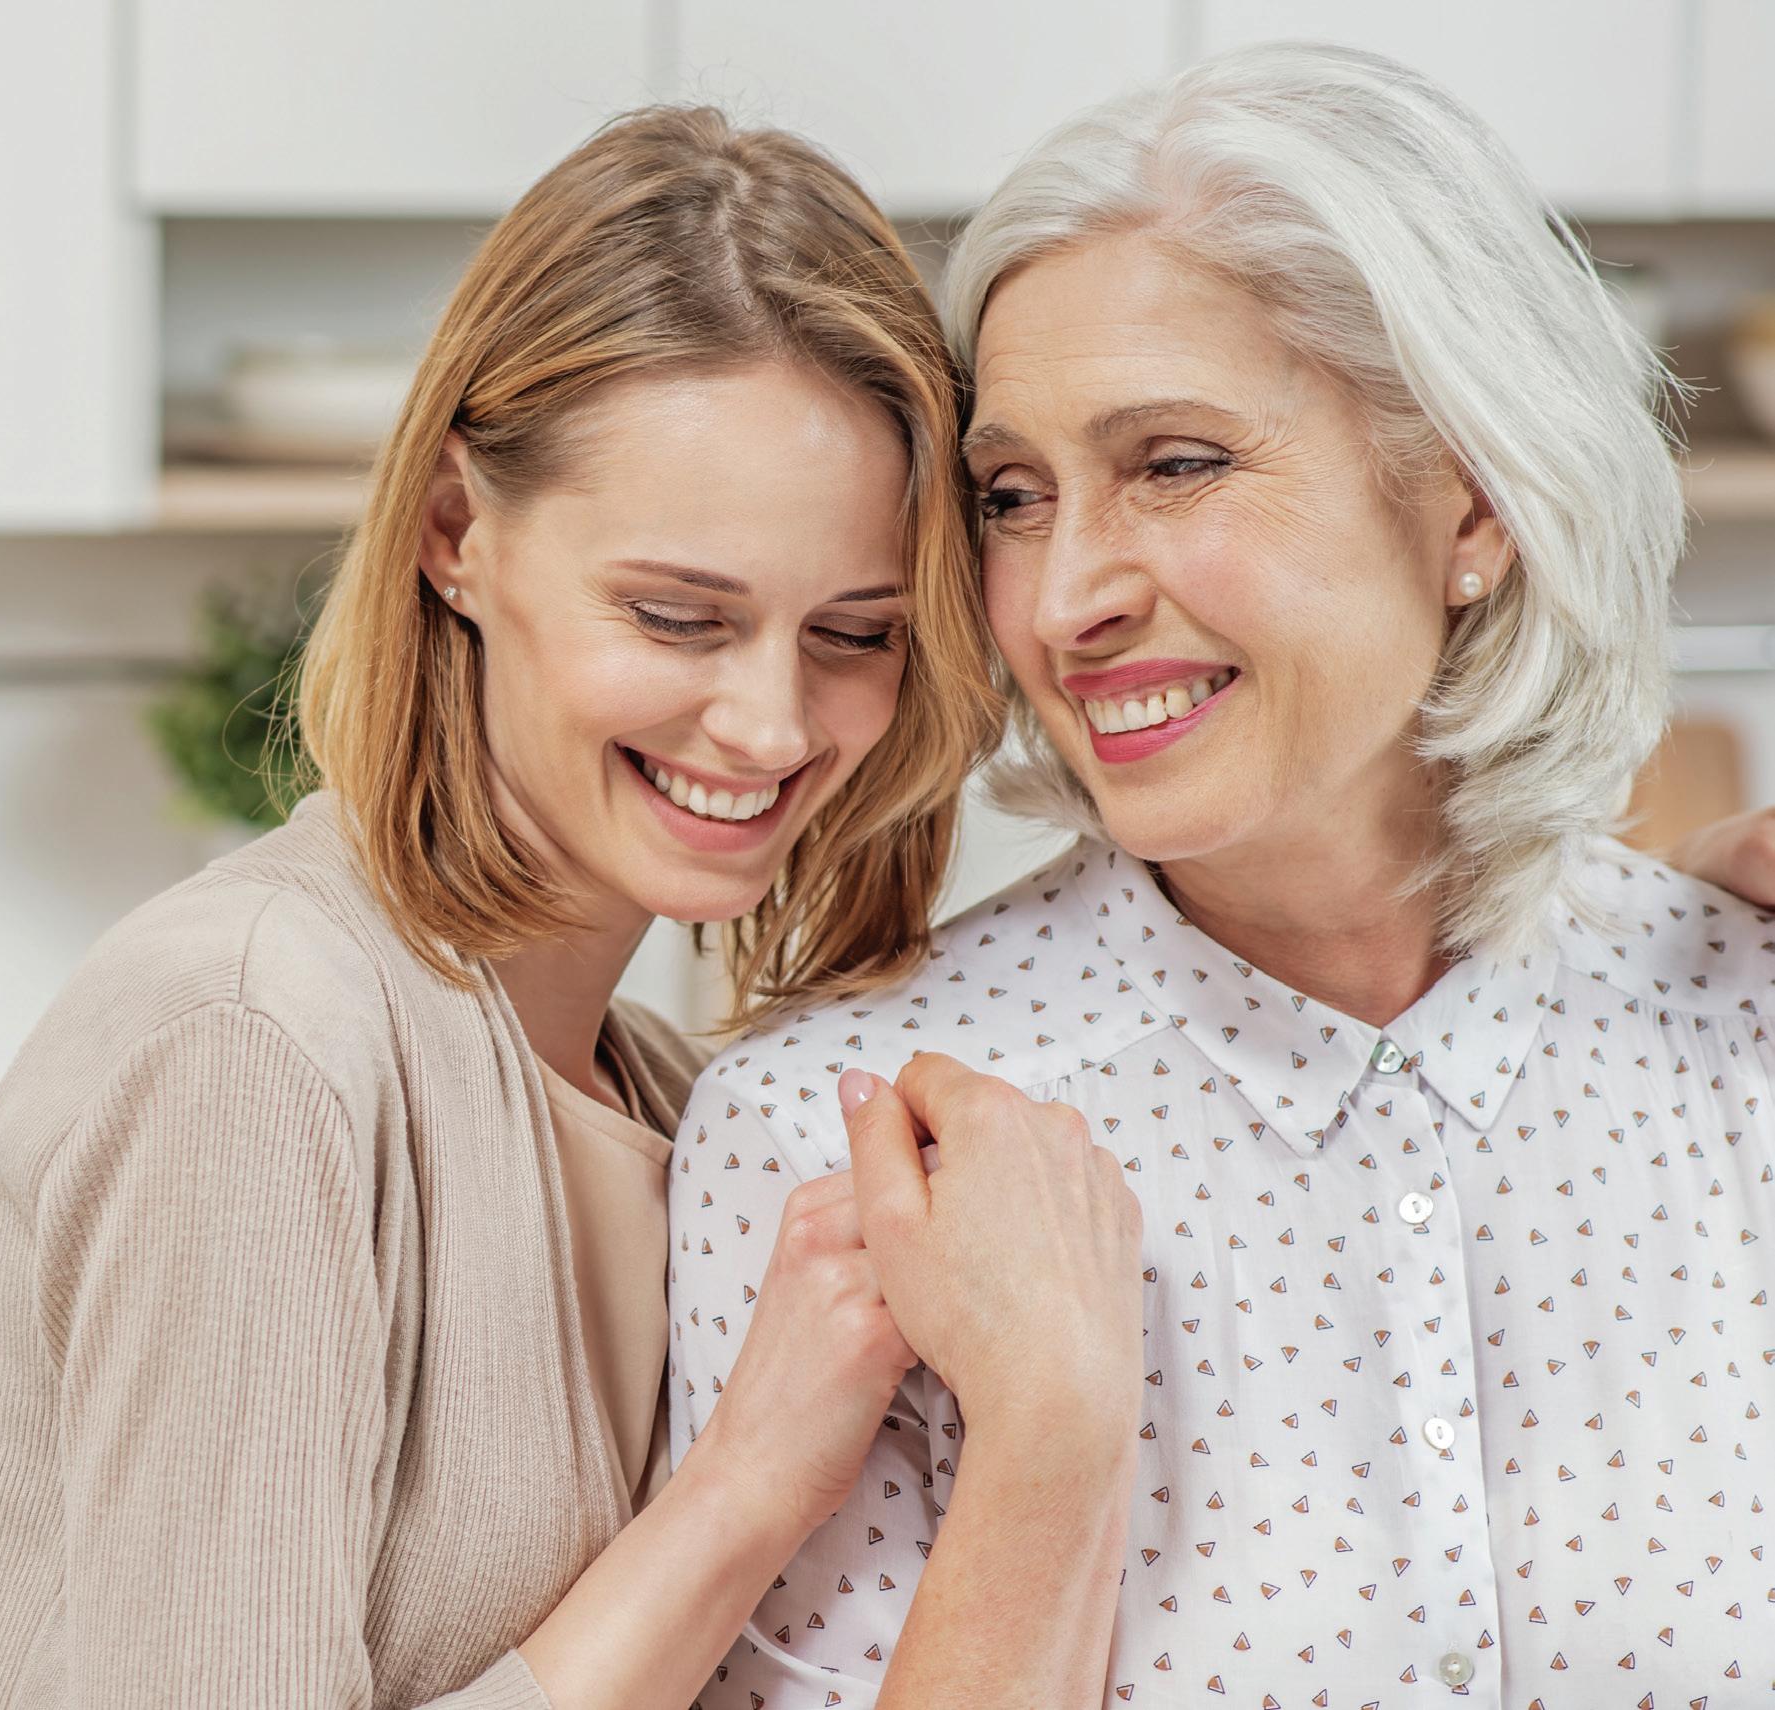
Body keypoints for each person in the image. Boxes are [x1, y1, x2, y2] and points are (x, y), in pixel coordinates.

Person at [0, 108, 1141, 1709]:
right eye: (676, 615)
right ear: (455, 535)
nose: (770, 724)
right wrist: (741, 1485)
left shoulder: (671, 1098)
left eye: (852, 634)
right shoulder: (251, 1042)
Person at [667, 43, 1775, 1705]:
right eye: (1011, 496)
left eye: (1173, 463)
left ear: (1472, 502)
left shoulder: (1737, 1033)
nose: (1063, 599)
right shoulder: (837, 1138)